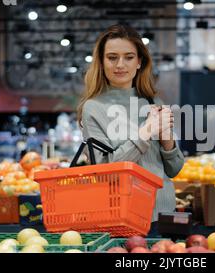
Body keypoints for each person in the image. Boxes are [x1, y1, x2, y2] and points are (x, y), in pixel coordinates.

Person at [77, 24, 185, 224]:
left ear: (139, 62)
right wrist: (146, 132)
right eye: (112, 57)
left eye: (128, 57)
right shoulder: (93, 108)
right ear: (101, 62)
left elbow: (174, 169)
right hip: (124, 217)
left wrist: (166, 139)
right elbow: (106, 171)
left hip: (164, 214)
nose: (120, 64)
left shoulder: (153, 102)